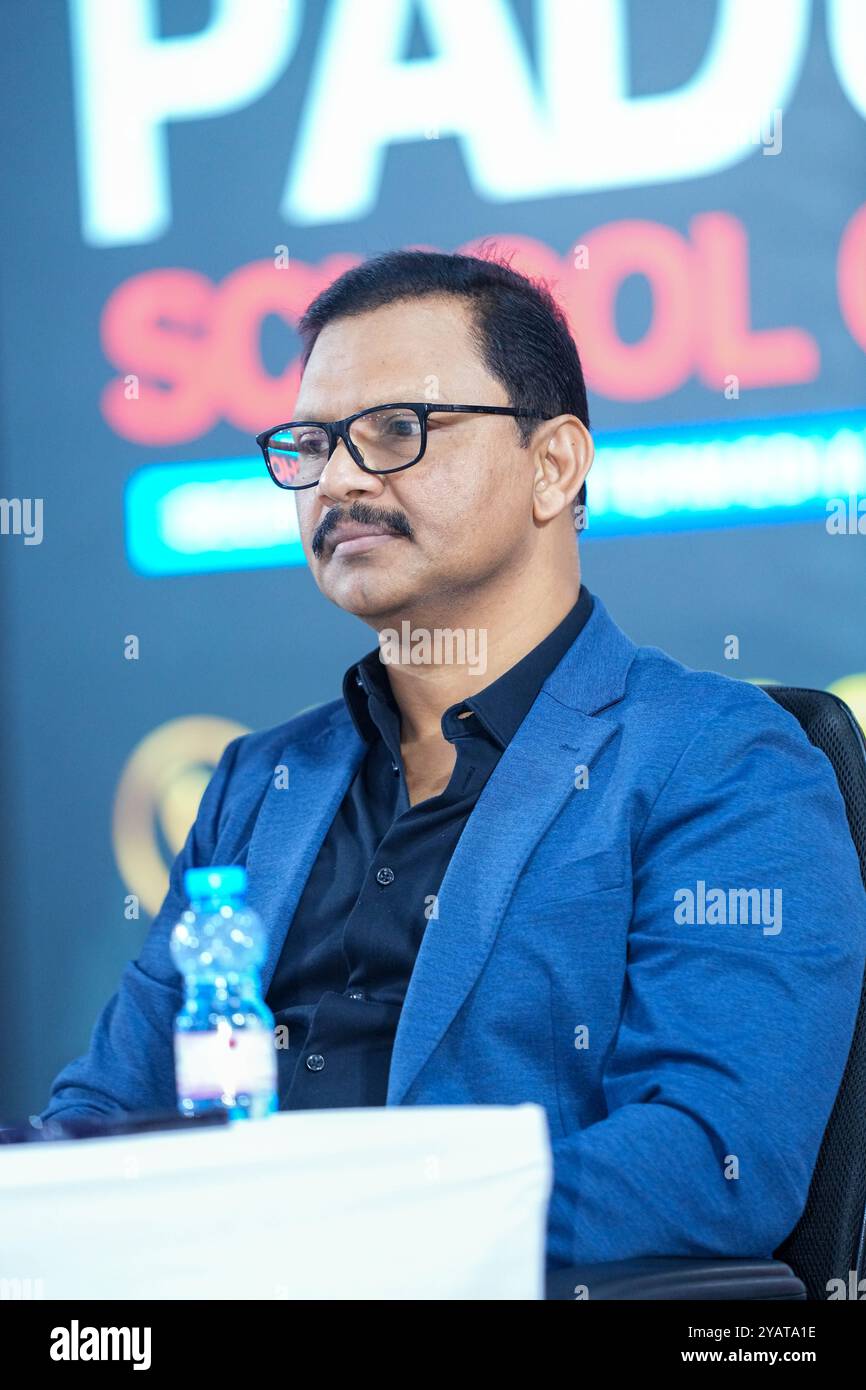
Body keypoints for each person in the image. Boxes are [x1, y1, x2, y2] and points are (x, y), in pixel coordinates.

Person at [43, 249, 866, 1270]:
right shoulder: (261, 782)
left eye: (396, 430)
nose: (338, 478)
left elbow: (709, 1156)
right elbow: (106, 1107)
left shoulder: (718, 761)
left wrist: (338, 1243)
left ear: (553, 465)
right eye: (310, 442)